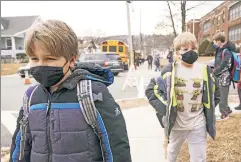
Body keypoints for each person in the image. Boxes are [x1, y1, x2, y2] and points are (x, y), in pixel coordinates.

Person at [9, 19, 132, 162]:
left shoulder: (92, 94)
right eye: (35, 59)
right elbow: (20, 146)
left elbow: (116, 147)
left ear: (72, 60)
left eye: (50, 59)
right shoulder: (31, 97)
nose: (41, 65)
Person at [145, 32, 220, 162]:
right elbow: (152, 90)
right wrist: (166, 108)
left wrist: (208, 109)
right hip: (177, 125)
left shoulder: (205, 70)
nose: (190, 52)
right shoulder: (169, 71)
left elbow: (215, 92)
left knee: (199, 158)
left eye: (193, 48)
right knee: (172, 154)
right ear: (177, 52)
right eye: (185, 49)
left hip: (198, 123)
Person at [212, 32, 236, 120]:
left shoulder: (227, 52)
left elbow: (223, 65)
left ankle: (224, 114)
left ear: (219, 41)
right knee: (221, 94)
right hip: (219, 76)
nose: (213, 43)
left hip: (225, 77)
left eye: (214, 41)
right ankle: (227, 110)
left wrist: (214, 72)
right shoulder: (219, 50)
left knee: (222, 96)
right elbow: (217, 62)